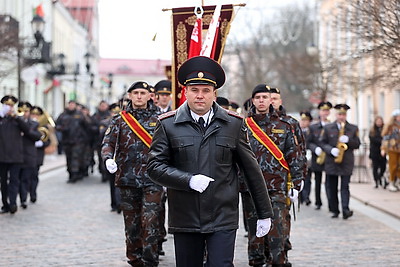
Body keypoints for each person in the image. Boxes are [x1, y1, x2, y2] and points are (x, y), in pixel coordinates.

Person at [147, 56, 273, 267]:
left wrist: (264, 213)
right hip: (185, 216)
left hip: (222, 215)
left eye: (206, 90)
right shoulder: (168, 125)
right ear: (185, 92)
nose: (200, 96)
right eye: (194, 90)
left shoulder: (233, 124)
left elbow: (251, 170)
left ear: (215, 93)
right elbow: (154, 167)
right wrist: (187, 180)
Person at [101, 81, 163, 267]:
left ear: (150, 96)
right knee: (132, 223)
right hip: (127, 178)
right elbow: (108, 143)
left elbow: (170, 145)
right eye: (135, 92)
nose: (138, 96)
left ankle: (150, 259)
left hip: (153, 178)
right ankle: (135, 258)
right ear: (129, 95)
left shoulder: (161, 118)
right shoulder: (120, 119)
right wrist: (107, 158)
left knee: (150, 219)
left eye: (142, 93)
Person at [243, 84, 304, 267]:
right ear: (253, 101)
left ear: (271, 100)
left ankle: (278, 261)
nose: (261, 101)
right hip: (251, 187)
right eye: (258, 97)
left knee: (277, 229)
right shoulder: (243, 126)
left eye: (265, 97)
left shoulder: (284, 125)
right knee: (255, 232)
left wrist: (297, 182)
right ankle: (257, 261)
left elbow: (294, 155)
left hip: (277, 186)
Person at [320, 104, 360, 219]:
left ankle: (345, 209)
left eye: (343, 114)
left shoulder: (353, 128)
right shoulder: (328, 128)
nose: (341, 116)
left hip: (346, 162)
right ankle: (335, 209)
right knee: (332, 187)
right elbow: (322, 143)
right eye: (339, 114)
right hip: (331, 161)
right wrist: (331, 150)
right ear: (336, 114)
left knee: (345, 186)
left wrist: (349, 140)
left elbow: (357, 144)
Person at [0, 95, 30, 214]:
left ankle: (13, 203)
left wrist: (17, 117)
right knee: (3, 182)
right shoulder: (1, 119)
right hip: (2, 156)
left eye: (11, 105)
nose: (9, 108)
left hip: (16, 156)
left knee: (14, 180)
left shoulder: (18, 120)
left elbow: (27, 130)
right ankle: (5, 204)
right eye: (7, 105)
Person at [55, 100, 90, 183]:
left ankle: (75, 174)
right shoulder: (63, 115)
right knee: (69, 158)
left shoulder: (80, 114)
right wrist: (62, 128)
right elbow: (57, 125)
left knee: (76, 158)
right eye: (70, 104)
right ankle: (70, 173)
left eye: (73, 104)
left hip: (78, 141)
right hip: (67, 140)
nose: (71, 106)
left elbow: (87, 125)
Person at [308, 101, 332, 210]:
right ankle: (318, 201)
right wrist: (315, 149)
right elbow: (309, 142)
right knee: (317, 180)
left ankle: (331, 203)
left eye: (327, 111)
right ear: (319, 112)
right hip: (317, 157)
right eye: (323, 110)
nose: (325, 113)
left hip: (329, 157)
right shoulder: (313, 127)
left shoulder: (332, 125)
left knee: (329, 182)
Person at [30, 106, 51, 203]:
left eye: (37, 115)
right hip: (27, 154)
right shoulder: (27, 124)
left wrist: (42, 143)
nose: (35, 117)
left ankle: (33, 193)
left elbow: (48, 141)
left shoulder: (44, 127)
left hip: (38, 154)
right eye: (33, 114)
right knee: (25, 176)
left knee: (34, 175)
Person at [381, 109, 400, 192]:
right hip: (393, 149)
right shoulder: (390, 126)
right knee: (393, 166)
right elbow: (386, 138)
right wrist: (383, 149)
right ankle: (391, 182)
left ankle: (398, 182)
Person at [92, 100, 111, 182]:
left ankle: (107, 174)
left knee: (108, 157)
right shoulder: (95, 116)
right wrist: (97, 129)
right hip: (98, 140)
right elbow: (90, 126)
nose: (103, 107)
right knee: (101, 158)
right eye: (102, 105)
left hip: (109, 141)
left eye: (104, 105)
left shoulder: (110, 115)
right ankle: (103, 173)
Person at [369, 116, 387, 188]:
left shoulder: (385, 129)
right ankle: (376, 181)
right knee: (375, 167)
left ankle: (380, 177)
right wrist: (381, 141)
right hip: (375, 151)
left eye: (380, 121)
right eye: (378, 121)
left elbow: (387, 138)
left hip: (383, 151)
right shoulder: (372, 130)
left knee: (383, 167)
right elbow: (373, 139)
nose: (379, 123)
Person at [299, 111, 313, 206]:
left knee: (308, 178)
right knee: (300, 178)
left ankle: (307, 196)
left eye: (306, 120)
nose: (304, 122)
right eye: (302, 120)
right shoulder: (297, 130)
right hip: (299, 157)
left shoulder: (311, 131)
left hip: (309, 156)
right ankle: (301, 197)